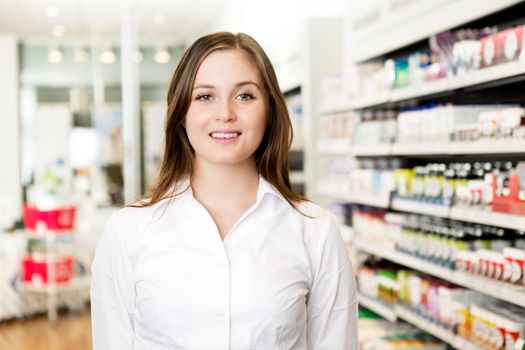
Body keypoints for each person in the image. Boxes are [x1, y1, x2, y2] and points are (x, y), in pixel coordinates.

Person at [90, 32, 358, 350]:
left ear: (269, 110)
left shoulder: (315, 231)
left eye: (244, 96)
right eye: (205, 97)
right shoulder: (128, 232)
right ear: (181, 113)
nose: (225, 113)